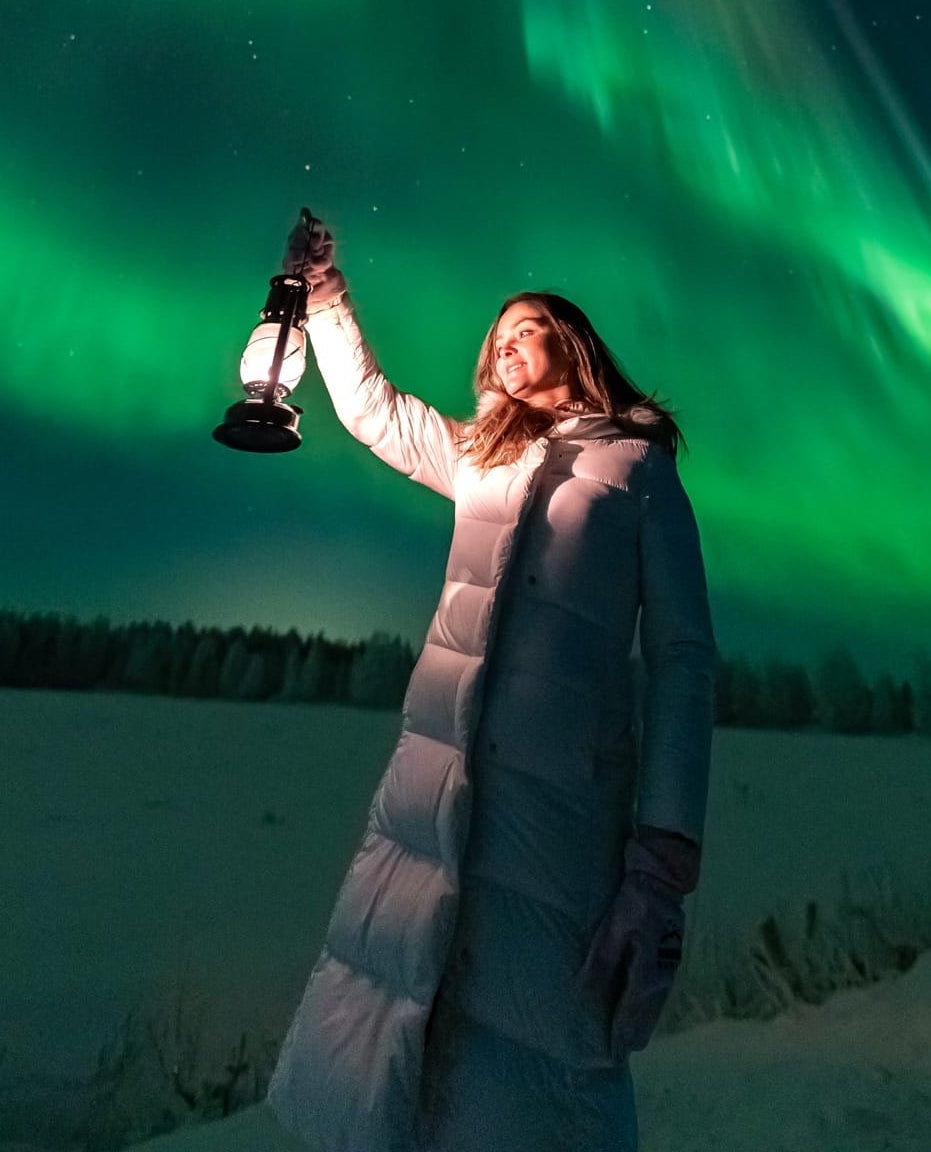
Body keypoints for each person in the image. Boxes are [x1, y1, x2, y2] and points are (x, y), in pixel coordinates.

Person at [266, 217, 716, 1152]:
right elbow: (375, 412)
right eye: (496, 336)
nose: (506, 343)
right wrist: (326, 300)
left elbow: (683, 660)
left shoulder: (639, 468)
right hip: (438, 790)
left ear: (574, 344)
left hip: (559, 812)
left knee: (551, 1044)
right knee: (413, 1024)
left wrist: (662, 860)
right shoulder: (484, 454)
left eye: (527, 328)